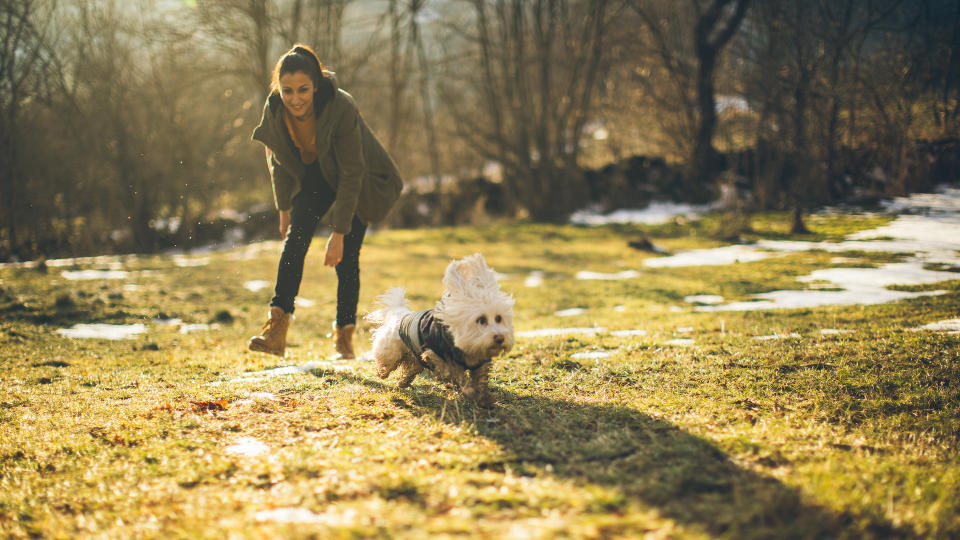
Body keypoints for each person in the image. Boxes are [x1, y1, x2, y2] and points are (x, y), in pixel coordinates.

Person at [248, 44, 403, 359]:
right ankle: (277, 330)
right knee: (294, 242)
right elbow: (277, 158)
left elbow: (352, 172)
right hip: (317, 175)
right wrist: (284, 209)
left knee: (346, 260)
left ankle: (344, 339)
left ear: (316, 85)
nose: (295, 99)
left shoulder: (340, 105)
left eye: (303, 89)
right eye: (287, 90)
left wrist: (339, 233)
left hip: (357, 179)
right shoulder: (275, 109)